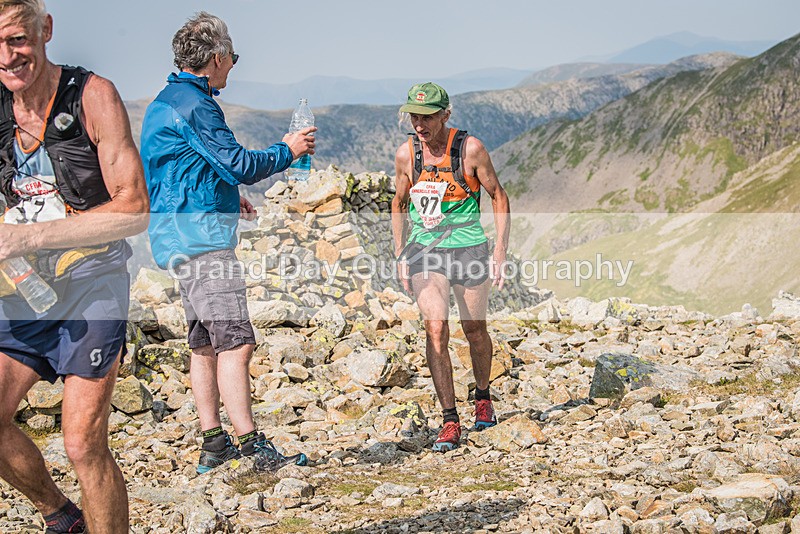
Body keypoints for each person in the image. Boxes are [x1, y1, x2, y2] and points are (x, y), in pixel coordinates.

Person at [141, 12, 316, 474]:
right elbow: (238, 162)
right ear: (216, 57)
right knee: (235, 342)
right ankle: (251, 445)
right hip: (203, 242)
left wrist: (223, 195)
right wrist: (288, 150)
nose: (233, 65)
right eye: (233, 57)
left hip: (178, 236)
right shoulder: (197, 104)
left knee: (204, 343)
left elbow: (182, 166)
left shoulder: (168, 99)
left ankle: (213, 442)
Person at [0, 0, 149, 532]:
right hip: (21, 289)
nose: (8, 56)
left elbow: (133, 208)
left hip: (93, 283)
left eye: (17, 39)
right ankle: (62, 517)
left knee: (83, 441)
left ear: (45, 30)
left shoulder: (92, 95)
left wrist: (30, 234)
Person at [392, 82, 510, 452]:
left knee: (475, 331)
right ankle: (449, 419)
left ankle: (483, 395)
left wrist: (500, 251)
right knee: (436, 328)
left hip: (469, 249)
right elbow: (397, 202)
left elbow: (498, 195)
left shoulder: (470, 149)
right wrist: (399, 254)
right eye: (414, 116)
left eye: (427, 117)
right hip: (426, 252)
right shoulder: (406, 154)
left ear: (446, 114)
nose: (420, 124)